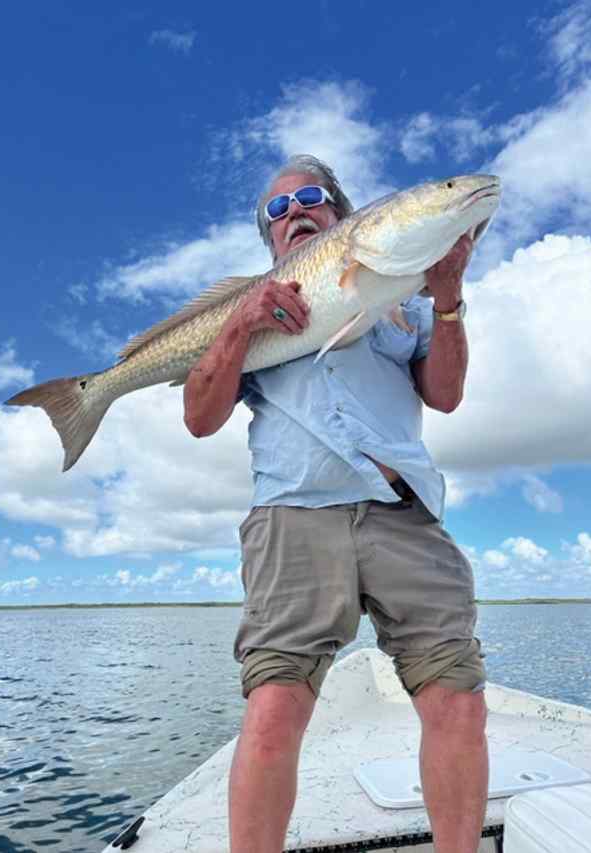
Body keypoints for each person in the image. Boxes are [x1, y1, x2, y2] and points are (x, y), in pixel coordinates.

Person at [184, 154, 488, 853]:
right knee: (274, 705)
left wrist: (447, 302)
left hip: (401, 508)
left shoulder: (408, 297)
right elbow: (200, 419)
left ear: (347, 216)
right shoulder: (253, 307)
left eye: (313, 198)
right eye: (278, 208)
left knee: (458, 697)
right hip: (293, 514)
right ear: (268, 236)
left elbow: (444, 395)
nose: (295, 211)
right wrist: (238, 323)